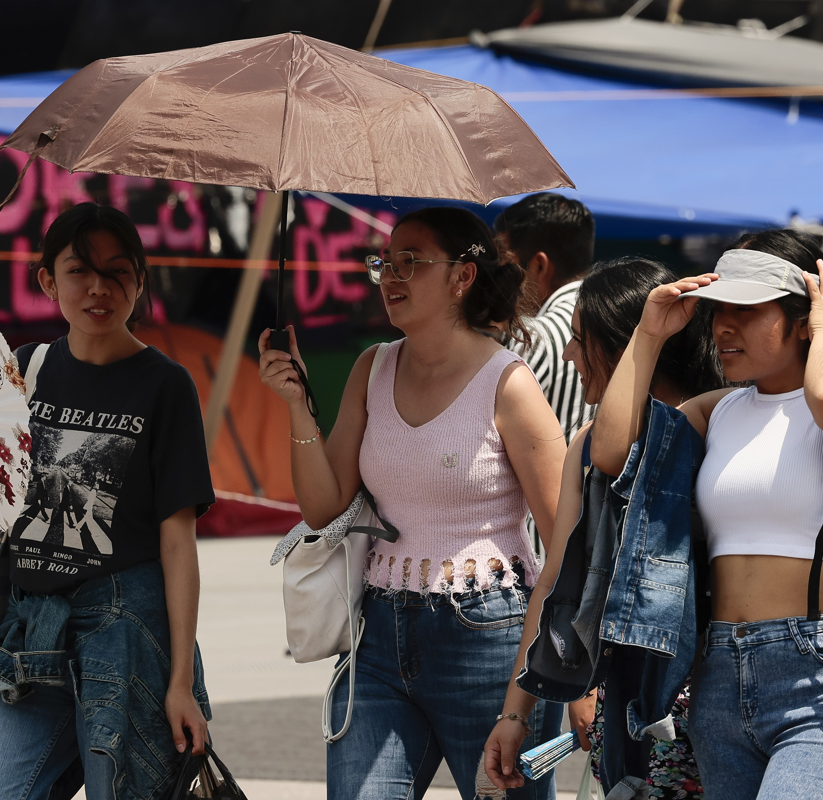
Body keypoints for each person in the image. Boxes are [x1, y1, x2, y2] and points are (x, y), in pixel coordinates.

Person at [258, 207, 569, 800]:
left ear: (462, 277)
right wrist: (297, 404)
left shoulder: (509, 383)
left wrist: (554, 680)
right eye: (384, 262)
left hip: (490, 638)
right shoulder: (372, 367)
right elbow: (326, 510)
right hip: (378, 633)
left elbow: (564, 547)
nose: (390, 276)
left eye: (411, 262)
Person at [587, 230, 823, 799]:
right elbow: (610, 451)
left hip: (822, 675)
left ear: (803, 315)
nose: (722, 326)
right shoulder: (721, 410)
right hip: (719, 678)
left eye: (746, 310)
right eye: (718, 310)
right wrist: (649, 332)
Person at [0, 203, 217, 800]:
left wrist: (182, 681)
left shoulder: (166, 386)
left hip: (125, 632)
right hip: (31, 634)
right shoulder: (22, 372)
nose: (98, 288)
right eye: (78, 270)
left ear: (140, 281)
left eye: (117, 272)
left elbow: (178, 543)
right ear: (47, 281)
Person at [483, 258, 723, 799]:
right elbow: (554, 582)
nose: (569, 356)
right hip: (626, 704)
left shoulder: (720, 423)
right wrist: (515, 715)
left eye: (579, 340)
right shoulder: (585, 445)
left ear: (623, 346)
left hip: (715, 699)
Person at [495, 193, 596, 443]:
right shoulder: (619, 320)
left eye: (507, 264)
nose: (499, 277)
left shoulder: (534, 335)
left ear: (539, 266)